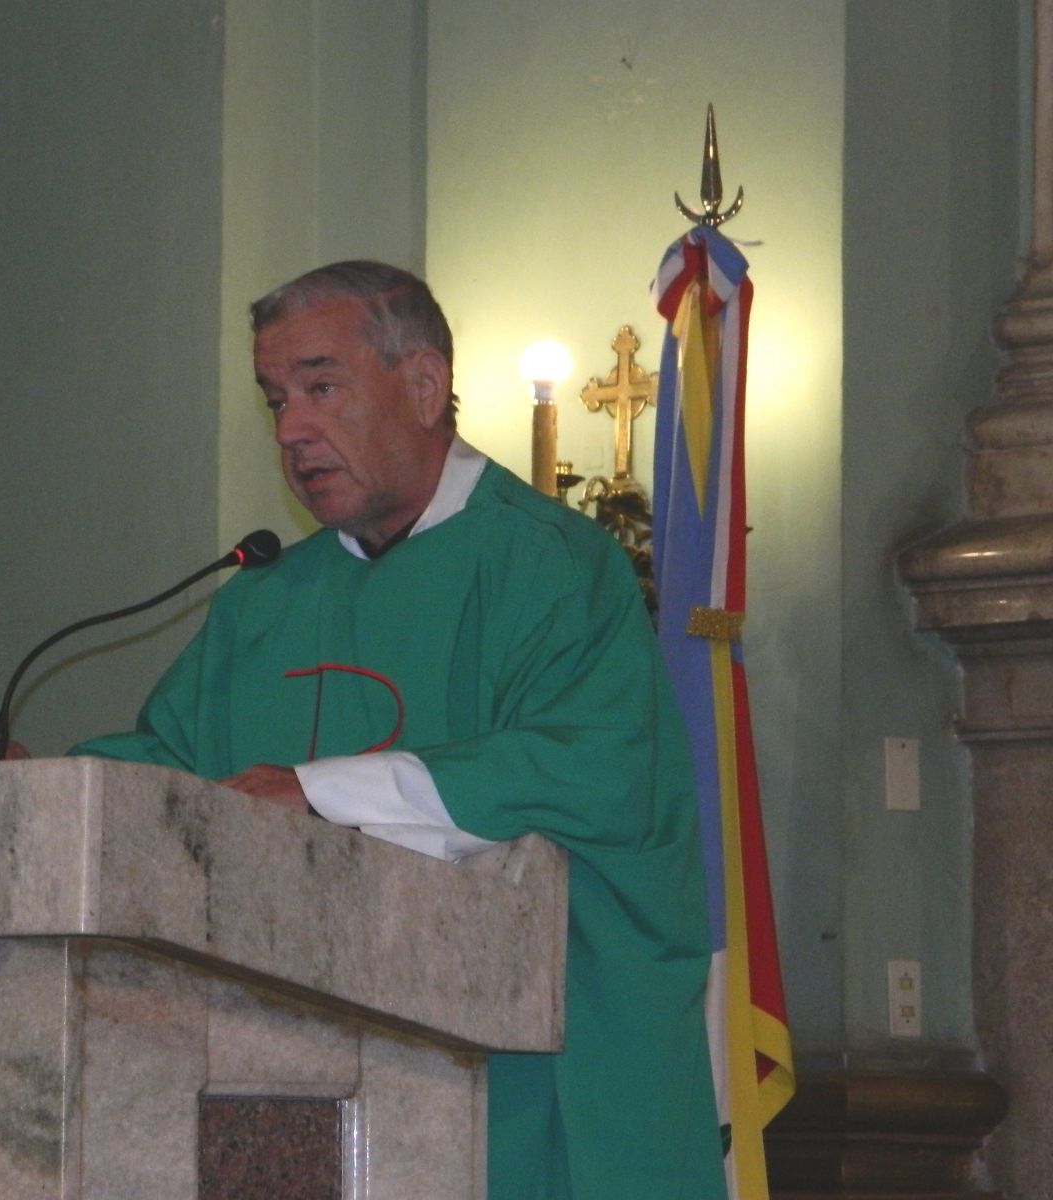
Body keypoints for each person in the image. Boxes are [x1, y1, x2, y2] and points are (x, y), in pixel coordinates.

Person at [71, 260, 723, 1199]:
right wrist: (29, 783)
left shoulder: (553, 566)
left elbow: (586, 768)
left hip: (519, 1085)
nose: (290, 430)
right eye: (275, 400)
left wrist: (318, 791)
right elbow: (169, 768)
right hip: (285, 1085)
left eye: (321, 388)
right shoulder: (263, 601)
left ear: (423, 386)